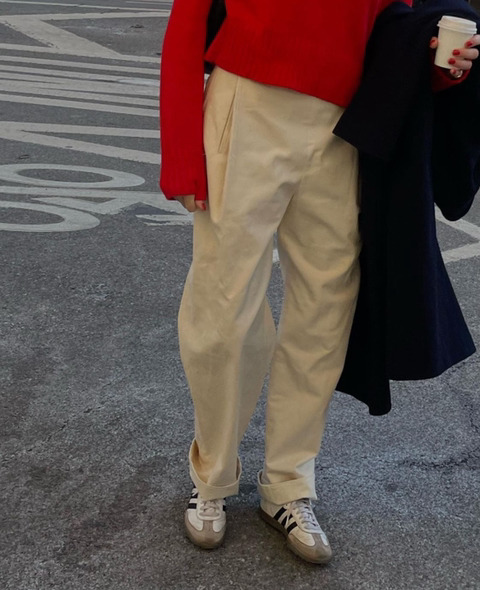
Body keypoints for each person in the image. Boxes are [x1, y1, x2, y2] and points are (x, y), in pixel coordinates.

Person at [159, 0, 480, 564]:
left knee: (327, 307)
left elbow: (396, 20)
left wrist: (438, 64)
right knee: (223, 302)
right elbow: (188, 20)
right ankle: (212, 476)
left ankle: (289, 483)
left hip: (345, 122)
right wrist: (182, 151)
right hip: (247, 101)